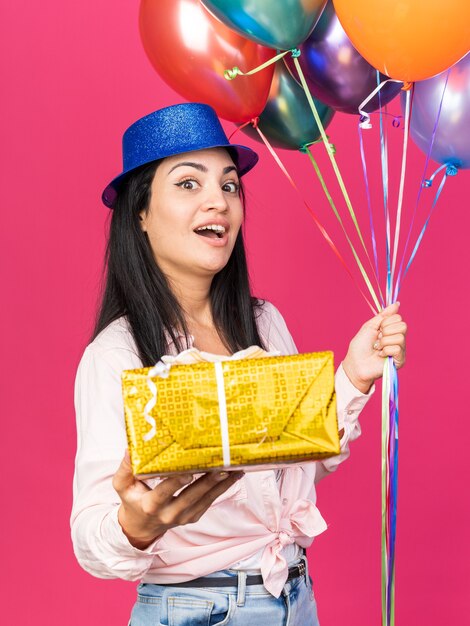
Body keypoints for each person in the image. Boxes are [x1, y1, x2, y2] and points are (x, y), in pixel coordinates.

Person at [71, 103, 407, 625]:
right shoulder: (116, 354)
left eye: (229, 186)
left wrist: (355, 374)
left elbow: (296, 465)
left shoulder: (264, 323)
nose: (218, 202)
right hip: (196, 611)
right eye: (189, 184)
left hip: (294, 598)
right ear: (140, 211)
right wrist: (134, 525)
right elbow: (91, 537)